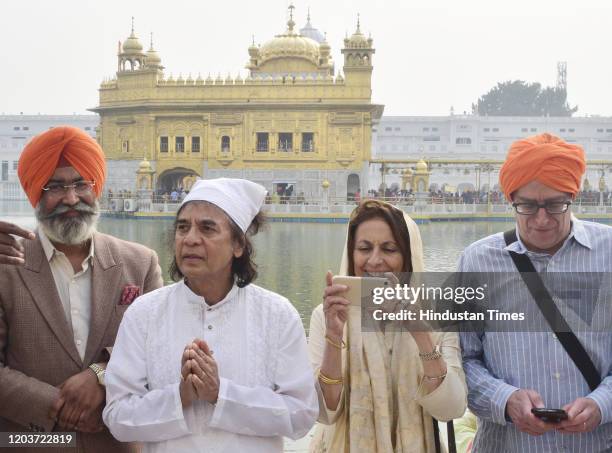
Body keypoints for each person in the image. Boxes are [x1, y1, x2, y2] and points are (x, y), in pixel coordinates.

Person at [103, 178, 318, 452]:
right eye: (182, 228)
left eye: (207, 228)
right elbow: (118, 418)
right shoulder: (144, 314)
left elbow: (301, 414)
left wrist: (221, 395)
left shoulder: (276, 315)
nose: (190, 239)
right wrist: (179, 397)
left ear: (238, 245)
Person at [0, 126, 163, 452]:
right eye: (55, 186)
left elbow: (160, 351)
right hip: (31, 441)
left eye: (80, 184)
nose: (71, 198)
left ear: (96, 187)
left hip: (114, 441)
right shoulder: (6, 265)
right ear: (36, 193)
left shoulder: (138, 263)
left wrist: (101, 376)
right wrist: (58, 406)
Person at [459, 133, 612, 451]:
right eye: (528, 206)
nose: (541, 219)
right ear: (511, 199)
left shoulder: (608, 252)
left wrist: (602, 403)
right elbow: (461, 359)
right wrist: (504, 399)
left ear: (573, 196)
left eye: (555, 205)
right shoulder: (477, 261)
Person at [308, 199, 467, 452]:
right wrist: (334, 336)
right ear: (351, 253)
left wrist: (419, 333)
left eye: (389, 249)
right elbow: (324, 413)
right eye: (364, 248)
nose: (374, 260)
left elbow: (451, 409)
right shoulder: (328, 317)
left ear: (408, 257)